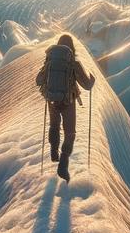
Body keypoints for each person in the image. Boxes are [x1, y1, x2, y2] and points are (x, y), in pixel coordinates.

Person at [36, 33, 95, 182]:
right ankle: (63, 164)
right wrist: (92, 79)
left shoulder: (50, 61)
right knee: (70, 133)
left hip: (52, 101)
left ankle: (54, 151)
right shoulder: (73, 62)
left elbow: (38, 81)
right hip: (68, 102)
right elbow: (87, 85)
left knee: (54, 125)